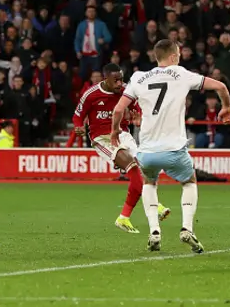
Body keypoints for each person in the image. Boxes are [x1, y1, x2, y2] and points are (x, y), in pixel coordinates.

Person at [111, 40, 230, 252]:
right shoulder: (181, 73)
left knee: (149, 183)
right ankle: (187, 228)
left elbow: (118, 109)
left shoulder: (138, 77)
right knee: (189, 182)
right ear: (174, 56)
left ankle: (154, 231)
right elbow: (221, 86)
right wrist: (227, 107)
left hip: (147, 152)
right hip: (175, 150)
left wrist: (114, 131)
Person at [73, 63, 170, 234]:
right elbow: (77, 116)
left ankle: (124, 217)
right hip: (102, 139)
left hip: (123, 134)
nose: (119, 84)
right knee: (132, 167)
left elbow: (136, 108)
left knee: (143, 169)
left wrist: (137, 114)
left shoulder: (127, 91)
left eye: (121, 80)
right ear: (106, 79)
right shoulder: (91, 94)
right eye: (115, 81)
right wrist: (79, 127)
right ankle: (156, 205)